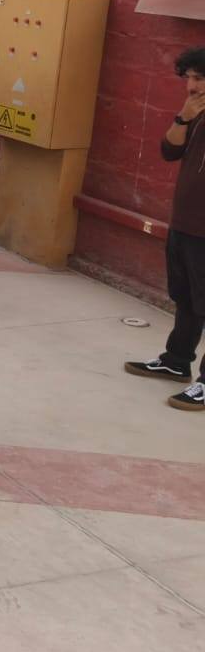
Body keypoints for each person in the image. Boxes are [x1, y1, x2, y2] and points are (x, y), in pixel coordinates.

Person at [125, 48, 205, 411]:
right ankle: (176, 361)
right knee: (185, 296)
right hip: (185, 222)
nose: (191, 86)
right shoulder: (195, 113)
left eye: (199, 79)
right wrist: (184, 117)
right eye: (188, 78)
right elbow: (168, 151)